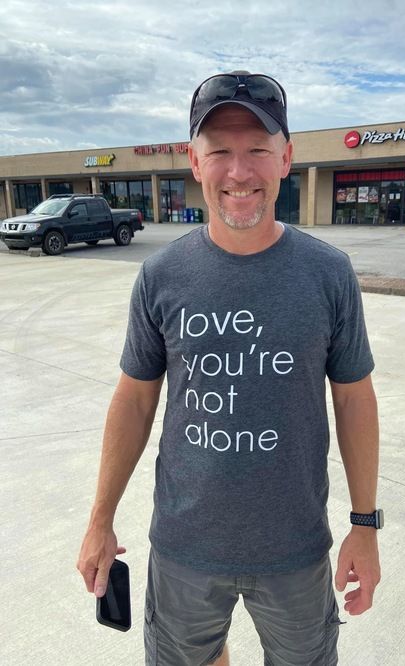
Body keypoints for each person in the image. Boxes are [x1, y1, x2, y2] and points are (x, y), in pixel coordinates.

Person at [77, 70, 382, 666]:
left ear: (286, 158)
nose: (239, 172)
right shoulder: (161, 276)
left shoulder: (328, 274)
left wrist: (365, 525)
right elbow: (134, 399)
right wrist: (100, 519)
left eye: (258, 150)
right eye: (219, 151)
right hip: (184, 546)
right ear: (195, 162)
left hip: (295, 548)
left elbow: (354, 399)